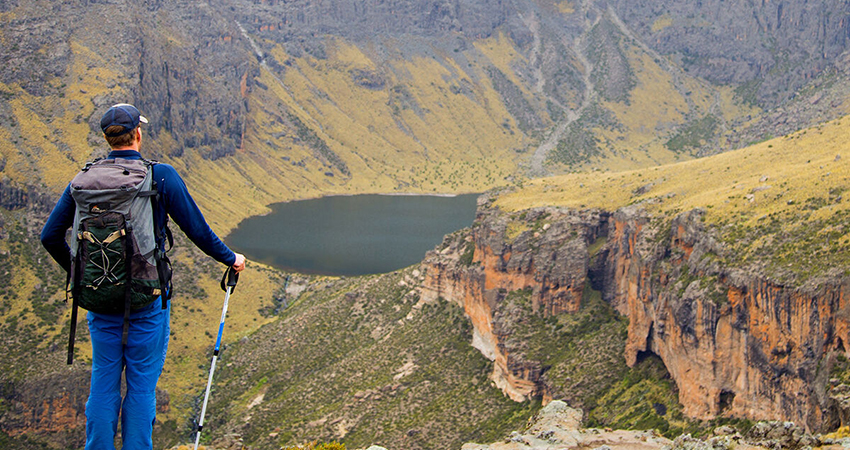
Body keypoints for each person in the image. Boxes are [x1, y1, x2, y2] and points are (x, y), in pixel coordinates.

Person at [40, 103, 246, 450]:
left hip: (100, 302)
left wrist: (81, 276)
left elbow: (49, 236)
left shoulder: (82, 180)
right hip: (147, 303)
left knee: (103, 383)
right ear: (138, 133)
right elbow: (196, 229)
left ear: (108, 137)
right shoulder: (159, 175)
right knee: (140, 387)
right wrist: (231, 258)